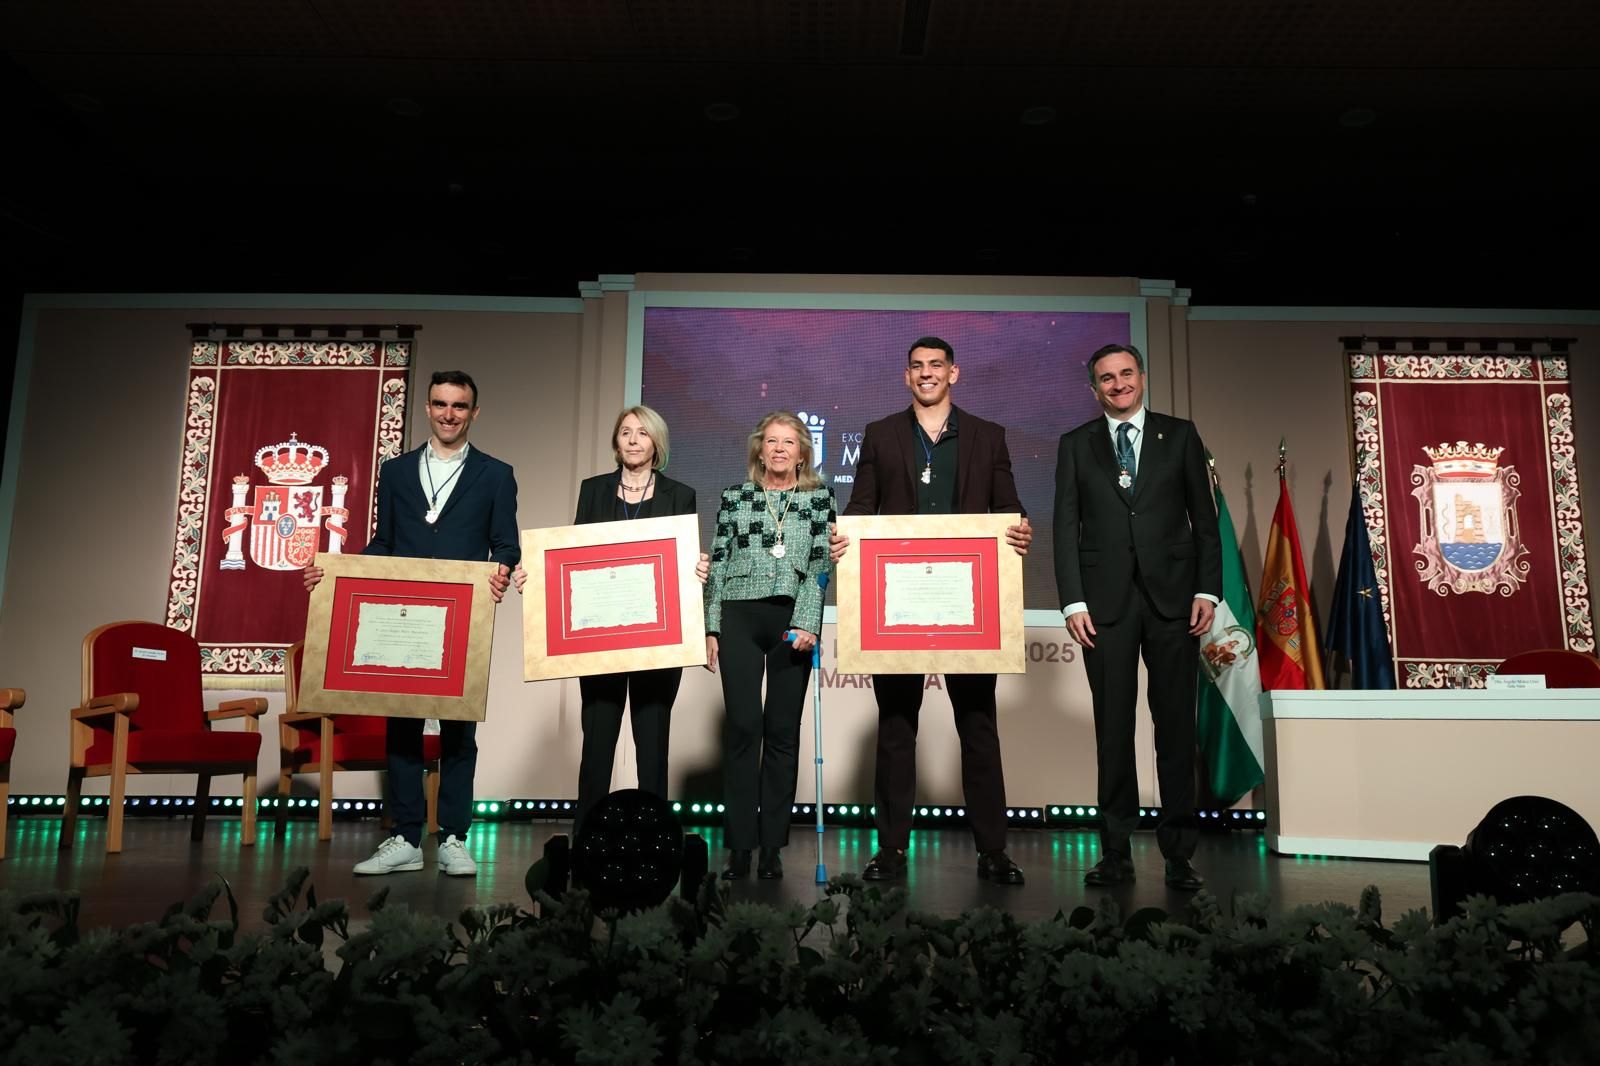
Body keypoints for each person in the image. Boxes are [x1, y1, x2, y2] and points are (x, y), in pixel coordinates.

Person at [830, 336, 1033, 885]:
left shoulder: (988, 436)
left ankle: (993, 851)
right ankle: (891, 850)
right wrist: (844, 537)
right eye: (917, 367)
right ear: (906, 377)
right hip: (898, 604)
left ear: (954, 373)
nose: (926, 374)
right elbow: (861, 507)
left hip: (969, 605)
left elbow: (1008, 507)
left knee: (978, 726)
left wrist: (1019, 528)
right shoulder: (880, 434)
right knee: (896, 729)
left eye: (936, 366)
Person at [303, 369, 518, 877]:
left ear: (474, 412)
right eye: (440, 404)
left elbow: (505, 544)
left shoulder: (496, 474)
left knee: (459, 731)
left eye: (459, 406)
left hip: (463, 617)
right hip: (402, 614)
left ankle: (454, 839)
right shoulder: (396, 471)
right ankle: (404, 836)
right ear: (427, 408)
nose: (449, 414)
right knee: (400, 724)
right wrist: (338, 576)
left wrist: (501, 573)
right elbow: (383, 544)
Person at [1053, 343, 1221, 890]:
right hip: (1103, 610)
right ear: (1093, 387)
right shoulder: (1075, 444)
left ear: (1142, 377)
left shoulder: (1182, 435)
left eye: (1127, 374)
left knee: (1175, 731)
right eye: (1107, 378)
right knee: (1113, 732)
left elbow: (1206, 519)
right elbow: (1064, 527)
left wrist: (1208, 591)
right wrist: (1073, 601)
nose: (1118, 384)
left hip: (1176, 603)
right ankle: (1115, 851)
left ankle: (1178, 855)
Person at [704, 411, 836, 880]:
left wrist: (808, 622)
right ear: (759, 449)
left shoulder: (819, 498)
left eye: (790, 442)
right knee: (743, 730)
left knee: (782, 733)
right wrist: (711, 626)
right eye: (772, 441)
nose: (780, 449)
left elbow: (822, 563)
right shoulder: (735, 496)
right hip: (739, 614)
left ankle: (772, 846)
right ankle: (740, 844)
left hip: (790, 620)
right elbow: (718, 561)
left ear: (803, 452)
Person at [562, 405, 699, 839]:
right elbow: (575, 557)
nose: (634, 439)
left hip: (657, 641)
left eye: (643, 432)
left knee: (652, 745)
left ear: (656, 442)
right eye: (626, 432)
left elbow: (681, 561)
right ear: (616, 442)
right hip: (601, 640)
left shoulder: (681, 494)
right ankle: (586, 839)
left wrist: (697, 569)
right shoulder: (594, 491)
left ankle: (654, 840)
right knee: (598, 744)